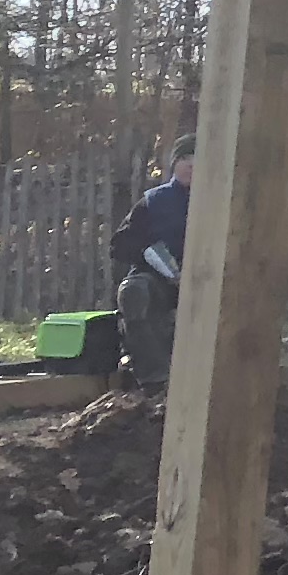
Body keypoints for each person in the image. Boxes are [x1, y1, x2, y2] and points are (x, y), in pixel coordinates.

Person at [110, 132, 195, 385]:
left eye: (199, 158)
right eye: (185, 158)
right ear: (174, 163)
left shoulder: (227, 201)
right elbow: (120, 244)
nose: (191, 164)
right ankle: (154, 377)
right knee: (134, 292)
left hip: (211, 283)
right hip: (161, 284)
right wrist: (157, 260)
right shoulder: (154, 202)